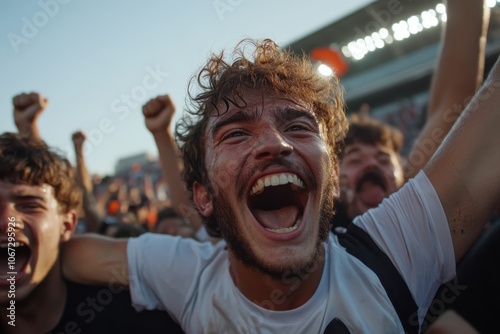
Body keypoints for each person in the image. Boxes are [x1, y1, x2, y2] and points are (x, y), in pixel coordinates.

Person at [63, 34, 500, 333]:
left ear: (331, 182)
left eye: (299, 127)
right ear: (203, 196)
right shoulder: (187, 274)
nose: (275, 143)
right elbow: (67, 254)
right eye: (236, 133)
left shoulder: (392, 253)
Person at [337, 0, 491, 225]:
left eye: (383, 159)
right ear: (333, 182)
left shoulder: (420, 217)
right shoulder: (314, 247)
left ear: (404, 168)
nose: (371, 165)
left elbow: (450, 104)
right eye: (355, 159)